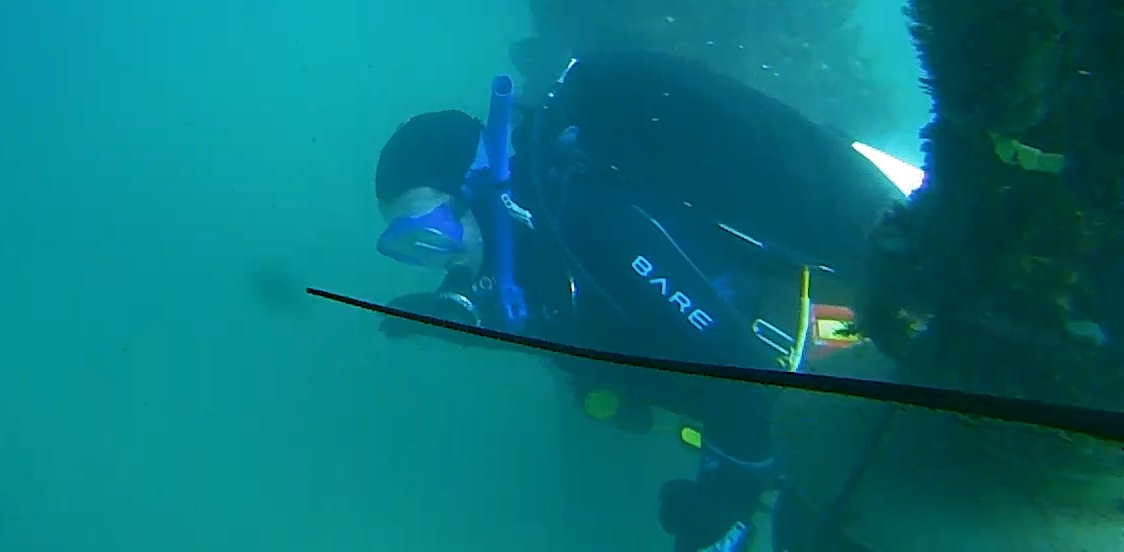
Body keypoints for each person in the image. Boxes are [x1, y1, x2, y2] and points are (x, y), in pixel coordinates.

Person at [370, 49, 906, 552]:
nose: (438, 261)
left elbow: (753, 387)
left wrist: (723, 504)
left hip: (855, 346)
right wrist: (470, 327)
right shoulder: (544, 245)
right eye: (411, 250)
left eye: (431, 234)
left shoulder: (591, 221)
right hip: (823, 392)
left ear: (479, 189)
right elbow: (574, 323)